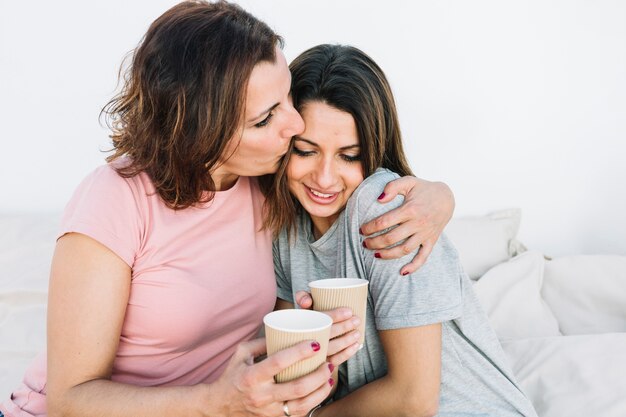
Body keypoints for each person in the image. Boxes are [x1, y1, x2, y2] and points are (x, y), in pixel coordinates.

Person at [0, 2, 455, 417]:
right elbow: (69, 399)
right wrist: (215, 403)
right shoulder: (114, 200)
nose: (294, 125)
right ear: (203, 133)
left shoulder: (271, 180)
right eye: (265, 118)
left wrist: (438, 197)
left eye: (287, 98)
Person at [271, 44, 539, 417]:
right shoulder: (286, 230)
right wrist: (320, 362)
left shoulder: (383, 211)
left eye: (350, 156)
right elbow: (296, 380)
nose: (325, 178)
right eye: (305, 150)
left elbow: (413, 399)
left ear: (375, 149)